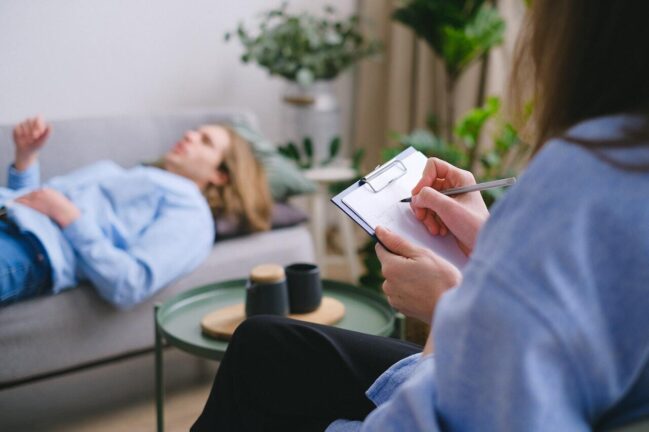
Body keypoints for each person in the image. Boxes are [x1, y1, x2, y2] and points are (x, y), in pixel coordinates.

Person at [191, 0, 649, 431]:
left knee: (261, 362)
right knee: (263, 342)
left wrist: (448, 308)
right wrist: (492, 245)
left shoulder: (586, 179)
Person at [0, 116, 272, 307]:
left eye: (205, 141)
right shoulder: (139, 174)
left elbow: (130, 283)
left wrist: (69, 217)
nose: (189, 135)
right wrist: (26, 159)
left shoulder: (191, 213)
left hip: (29, 249)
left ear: (220, 175)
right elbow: (30, 204)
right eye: (194, 132)